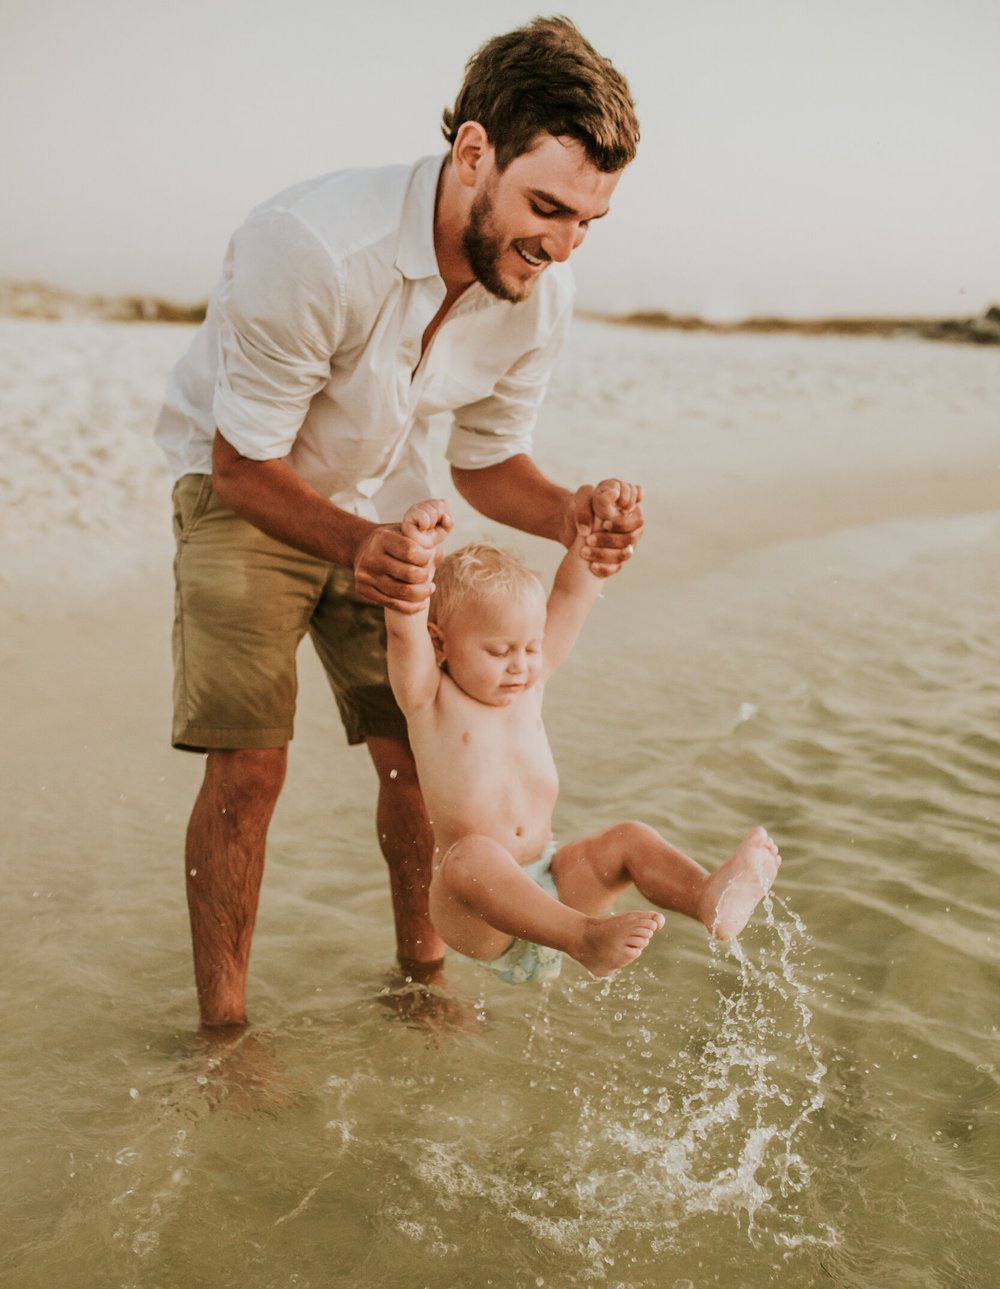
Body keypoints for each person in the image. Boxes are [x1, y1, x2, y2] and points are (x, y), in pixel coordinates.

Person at [154, 18, 644, 1026]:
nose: (559, 244)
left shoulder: (538, 295)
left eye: (588, 221)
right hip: (250, 490)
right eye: (545, 207)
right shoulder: (313, 246)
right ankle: (224, 1030)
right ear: (473, 154)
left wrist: (569, 515)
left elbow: (484, 462)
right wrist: (353, 546)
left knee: (422, 752)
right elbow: (240, 462)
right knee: (251, 762)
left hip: (393, 506)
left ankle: (418, 978)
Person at [386, 492, 781, 982]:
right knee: (472, 854)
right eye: (499, 651)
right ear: (441, 643)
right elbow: (404, 630)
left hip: (553, 884)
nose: (520, 664)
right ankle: (585, 939)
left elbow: (572, 595)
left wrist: (599, 528)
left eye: (530, 647)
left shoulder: (530, 684)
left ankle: (708, 899)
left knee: (629, 838)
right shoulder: (429, 699)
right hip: (477, 910)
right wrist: (416, 553)